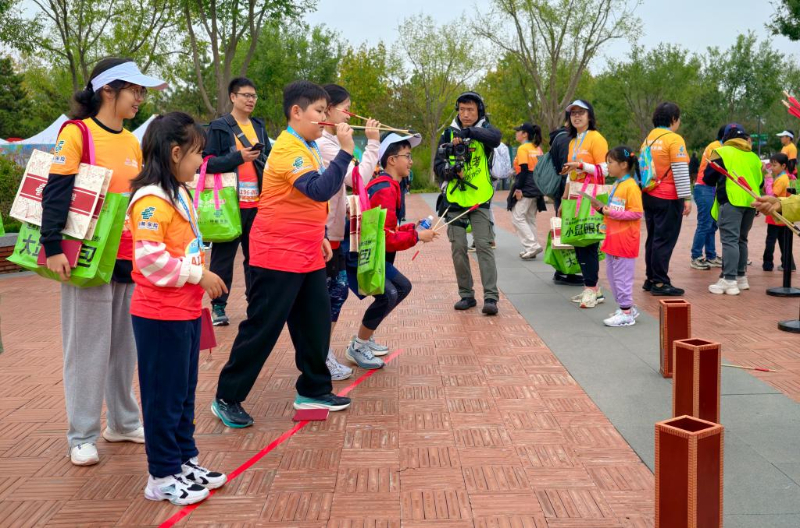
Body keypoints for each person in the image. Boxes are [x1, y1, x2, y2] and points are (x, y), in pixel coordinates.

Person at [41, 57, 167, 465]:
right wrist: (53, 246)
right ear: (107, 90)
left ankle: (123, 422)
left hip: (127, 257)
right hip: (86, 259)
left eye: (142, 91)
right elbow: (56, 190)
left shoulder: (131, 141)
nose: (140, 98)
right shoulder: (76, 133)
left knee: (124, 347)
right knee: (87, 347)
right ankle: (81, 435)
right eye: (135, 90)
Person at [212, 81, 355, 429]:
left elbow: (306, 202)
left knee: (315, 323)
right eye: (318, 111)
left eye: (325, 111)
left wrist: (320, 234)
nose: (324, 118)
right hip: (276, 254)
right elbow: (318, 189)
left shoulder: (308, 145)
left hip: (306, 251)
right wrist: (346, 152)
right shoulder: (289, 148)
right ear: (296, 112)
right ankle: (227, 396)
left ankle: (314, 390)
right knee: (262, 328)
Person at [128, 112, 228, 505]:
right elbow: (150, 260)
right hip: (158, 315)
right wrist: (198, 274)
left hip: (184, 312)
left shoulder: (179, 192)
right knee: (162, 399)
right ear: (174, 153)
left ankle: (184, 461)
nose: (201, 161)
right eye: (197, 153)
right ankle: (161, 475)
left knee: (183, 396)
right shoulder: (151, 200)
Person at [343, 133, 438, 368]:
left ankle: (364, 338)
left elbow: (386, 228)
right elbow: (384, 238)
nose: (411, 161)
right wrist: (417, 236)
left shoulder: (388, 185)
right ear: (392, 160)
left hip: (367, 251)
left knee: (400, 288)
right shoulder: (385, 188)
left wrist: (411, 228)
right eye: (408, 156)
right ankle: (358, 346)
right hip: (360, 254)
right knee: (389, 294)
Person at [317, 84, 380, 380]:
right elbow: (358, 178)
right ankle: (320, 355)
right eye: (346, 109)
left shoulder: (332, 141)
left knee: (337, 293)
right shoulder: (324, 144)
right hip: (324, 233)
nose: (349, 115)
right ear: (328, 110)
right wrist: (372, 143)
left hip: (334, 231)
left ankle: (322, 352)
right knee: (330, 296)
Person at [203, 77, 270, 326]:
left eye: (254, 96)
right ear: (233, 97)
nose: (251, 100)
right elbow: (206, 163)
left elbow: (268, 160)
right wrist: (238, 157)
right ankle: (218, 306)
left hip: (258, 203)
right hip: (229, 203)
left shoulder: (259, 126)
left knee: (256, 258)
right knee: (223, 258)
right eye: (246, 95)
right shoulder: (219, 127)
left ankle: (255, 304)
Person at [434, 92, 502, 315]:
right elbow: (437, 166)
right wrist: (451, 171)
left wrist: (469, 133)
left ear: (479, 111)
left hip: (480, 199)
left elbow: (496, 138)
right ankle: (466, 295)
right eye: (462, 109)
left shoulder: (485, 130)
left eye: (470, 110)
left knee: (483, 246)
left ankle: (490, 297)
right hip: (455, 199)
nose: (465, 114)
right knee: (458, 248)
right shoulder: (448, 133)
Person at [558, 99, 609, 308]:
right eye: (573, 113)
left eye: (581, 112)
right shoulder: (573, 141)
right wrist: (564, 199)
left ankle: (591, 288)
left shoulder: (597, 139)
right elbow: (570, 174)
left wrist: (580, 165)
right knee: (578, 241)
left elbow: (605, 169)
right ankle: (593, 289)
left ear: (590, 116)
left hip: (592, 197)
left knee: (588, 242)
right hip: (576, 195)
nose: (576, 116)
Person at [703, 123, 763, 295]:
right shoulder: (754, 157)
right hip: (751, 202)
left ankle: (729, 280)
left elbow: (708, 178)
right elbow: (759, 182)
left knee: (730, 240)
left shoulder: (722, 152)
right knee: (741, 240)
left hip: (731, 201)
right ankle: (741, 277)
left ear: (726, 139)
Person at [640, 102, 692, 296]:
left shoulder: (648, 139)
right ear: (673, 119)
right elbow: (680, 170)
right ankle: (661, 282)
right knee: (664, 239)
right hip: (668, 197)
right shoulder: (674, 139)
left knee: (653, 237)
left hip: (649, 194)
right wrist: (686, 198)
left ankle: (651, 278)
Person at [598, 147, 644, 327]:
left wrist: (611, 213)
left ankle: (626, 313)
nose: (607, 166)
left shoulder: (631, 186)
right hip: (613, 238)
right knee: (612, 275)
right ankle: (626, 308)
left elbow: (636, 213)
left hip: (624, 240)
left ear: (623, 165)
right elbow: (616, 209)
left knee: (622, 277)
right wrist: (603, 210)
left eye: (610, 162)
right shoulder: (618, 184)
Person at [548, 121, 583, 286]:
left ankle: (562, 270)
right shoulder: (570, 140)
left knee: (563, 230)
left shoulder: (557, 138)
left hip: (560, 187)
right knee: (569, 230)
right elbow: (570, 169)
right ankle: (565, 272)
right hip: (569, 188)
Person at [508, 122, 546, 260]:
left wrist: (518, 188)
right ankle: (531, 248)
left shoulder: (523, 148)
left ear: (525, 134)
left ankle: (532, 246)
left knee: (517, 217)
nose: (516, 133)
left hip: (526, 184)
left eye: (518, 131)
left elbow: (524, 170)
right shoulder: (537, 148)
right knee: (530, 218)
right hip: (537, 185)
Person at [690, 126, 725, 270]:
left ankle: (711, 256)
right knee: (705, 223)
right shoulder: (716, 147)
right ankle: (696, 256)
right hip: (704, 188)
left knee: (711, 224)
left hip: (710, 188)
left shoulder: (718, 146)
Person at [762, 153, 797, 272]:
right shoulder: (787, 177)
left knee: (771, 241)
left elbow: (771, 195)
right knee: (784, 241)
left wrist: (768, 180)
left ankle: (768, 264)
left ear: (783, 166)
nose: (772, 168)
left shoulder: (781, 179)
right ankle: (788, 264)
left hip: (776, 214)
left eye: (774, 165)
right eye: (771, 165)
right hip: (785, 214)